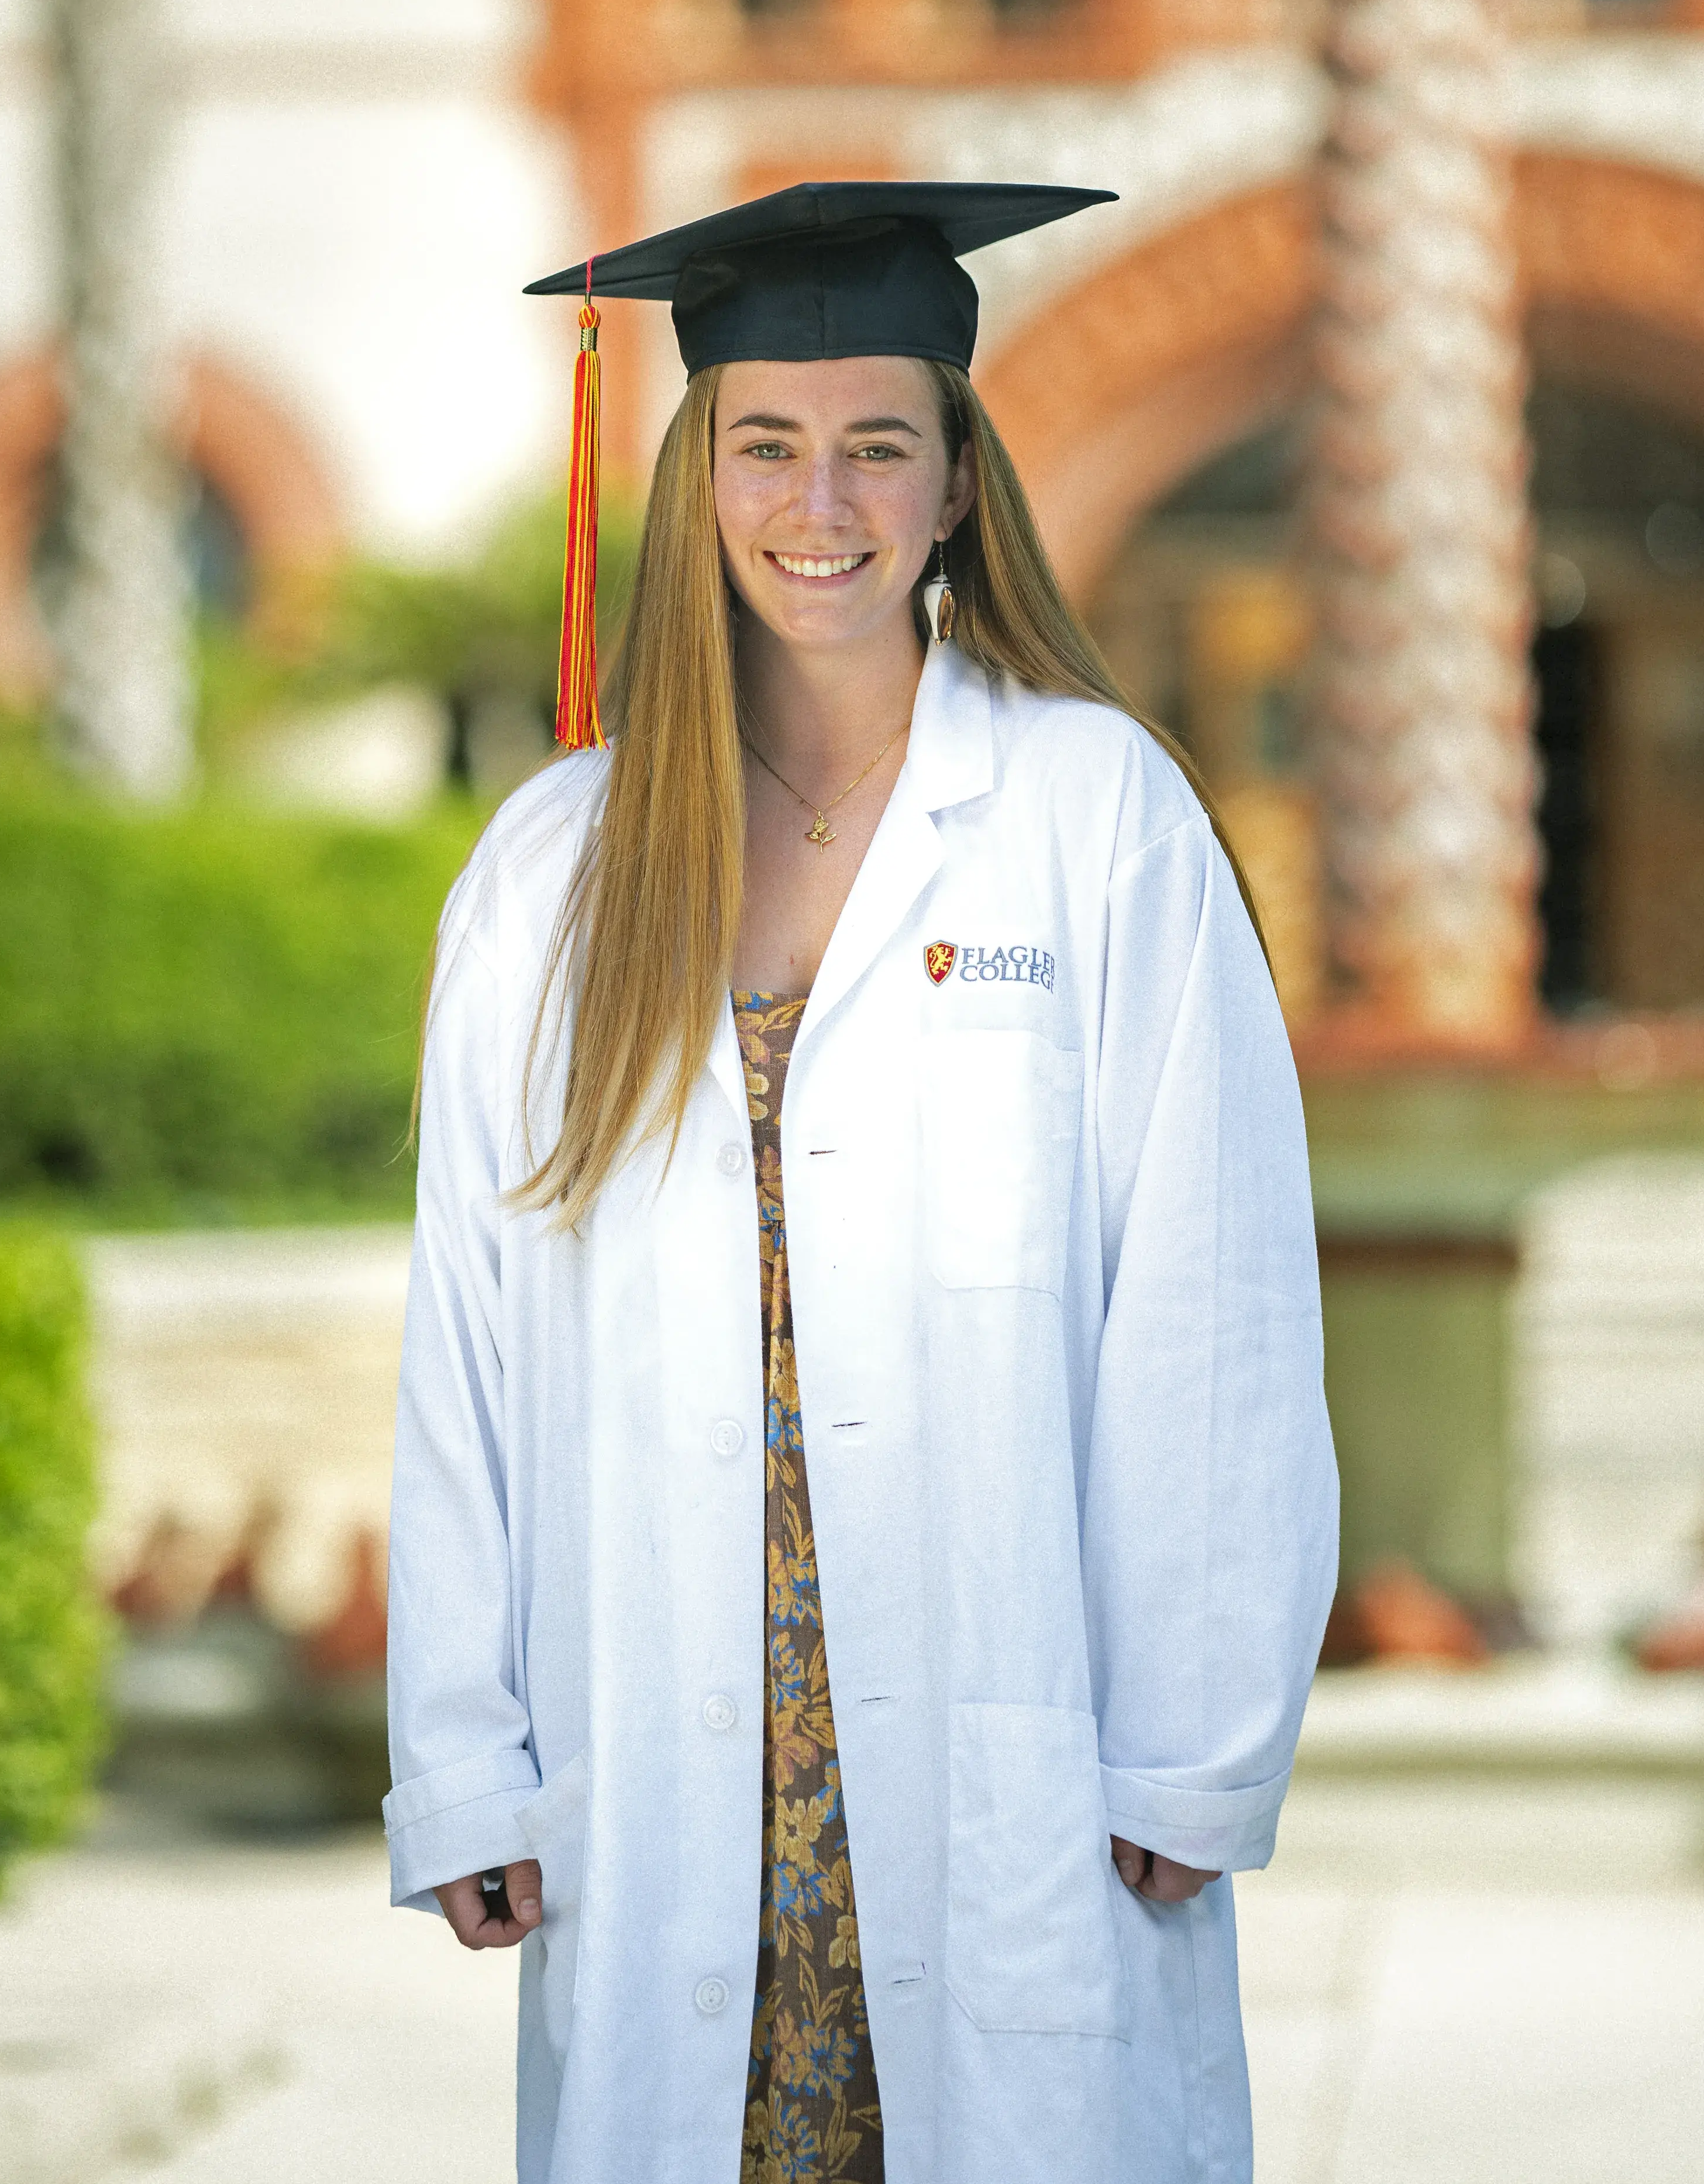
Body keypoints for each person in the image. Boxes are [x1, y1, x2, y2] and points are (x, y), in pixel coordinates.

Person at [384, 181, 1337, 2184]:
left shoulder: (1095, 819)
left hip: (1016, 1720)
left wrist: (1197, 1732)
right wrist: (465, 1758)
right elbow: (468, 1342)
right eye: (768, 443)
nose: (821, 500)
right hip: (664, 1728)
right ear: (695, 473)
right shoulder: (555, 873)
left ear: (959, 484)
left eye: (878, 444)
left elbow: (1215, 1300)